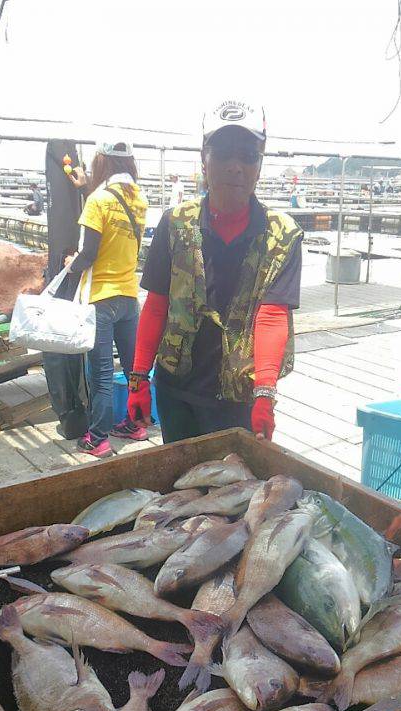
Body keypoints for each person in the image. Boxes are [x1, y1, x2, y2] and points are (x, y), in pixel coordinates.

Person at [127, 100, 303, 444]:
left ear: (260, 162)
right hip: (176, 388)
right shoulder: (175, 224)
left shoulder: (282, 235)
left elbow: (272, 314)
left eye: (248, 154)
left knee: (233, 490)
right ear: (204, 158)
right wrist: (138, 377)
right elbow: (156, 304)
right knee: (181, 484)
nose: (235, 166)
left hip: (240, 394)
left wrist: (265, 392)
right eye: (223, 153)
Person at [65, 141, 148, 458]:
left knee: (99, 375)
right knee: (133, 370)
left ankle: (97, 438)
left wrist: (70, 264)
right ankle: (136, 424)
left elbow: (90, 253)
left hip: (101, 298)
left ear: (102, 164)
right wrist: (87, 189)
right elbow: (115, 225)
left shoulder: (98, 201)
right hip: (129, 296)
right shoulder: (139, 199)